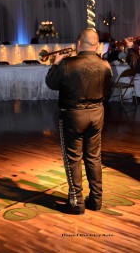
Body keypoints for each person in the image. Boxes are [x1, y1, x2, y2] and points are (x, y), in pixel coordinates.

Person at [46, 28, 112, 215]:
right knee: (94, 157)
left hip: (73, 115)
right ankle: (96, 200)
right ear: (97, 45)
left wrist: (55, 64)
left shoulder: (67, 63)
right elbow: (108, 88)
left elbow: (51, 83)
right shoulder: (106, 64)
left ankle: (76, 203)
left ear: (78, 43)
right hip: (97, 112)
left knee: (73, 158)